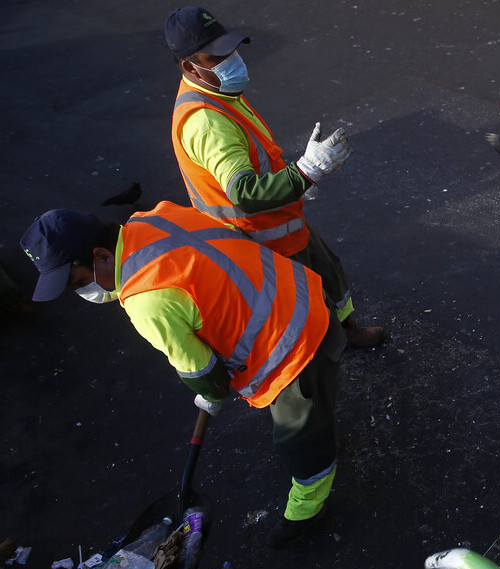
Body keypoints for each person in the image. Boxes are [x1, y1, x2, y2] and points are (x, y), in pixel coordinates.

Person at [20, 203, 344, 548]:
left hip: (294, 347)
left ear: (101, 255)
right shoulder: (153, 218)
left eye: (80, 282)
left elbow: (203, 372)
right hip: (304, 295)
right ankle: (320, 427)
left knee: (299, 441)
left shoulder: (147, 301)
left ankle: (306, 509)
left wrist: (211, 393)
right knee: (316, 408)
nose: (83, 292)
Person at [163, 6, 384, 347]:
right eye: (217, 57)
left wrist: (295, 180)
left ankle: (346, 330)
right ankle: (325, 352)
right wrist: (306, 171)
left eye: (231, 50)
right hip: (262, 239)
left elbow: (256, 159)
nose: (231, 60)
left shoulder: (218, 94)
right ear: (190, 66)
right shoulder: (207, 122)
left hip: (282, 217)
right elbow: (244, 191)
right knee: (301, 306)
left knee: (327, 273)